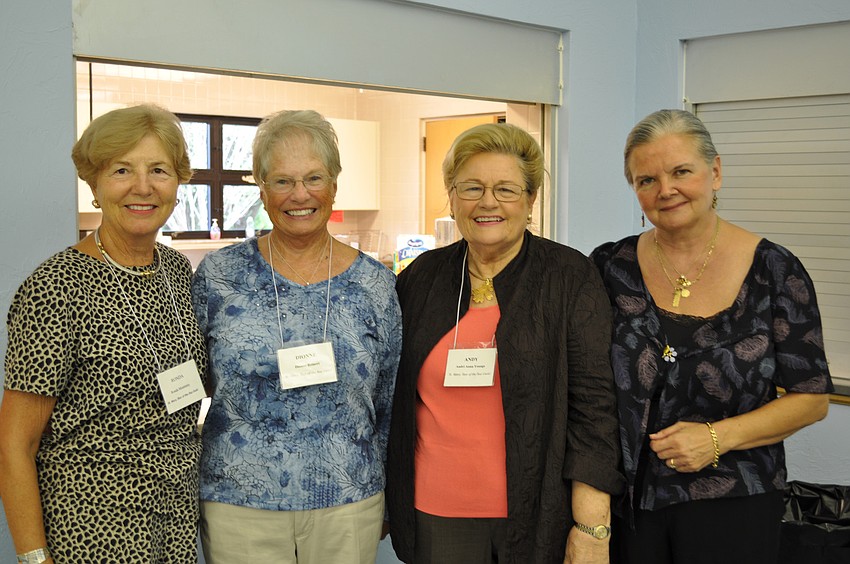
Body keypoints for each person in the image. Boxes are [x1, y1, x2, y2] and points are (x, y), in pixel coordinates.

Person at [591, 109, 834, 564]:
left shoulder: (776, 271)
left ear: (716, 172)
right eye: (647, 180)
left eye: (681, 171)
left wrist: (718, 437)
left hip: (734, 502)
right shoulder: (608, 267)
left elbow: (812, 397)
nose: (666, 190)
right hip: (625, 507)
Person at [386, 122, 624, 564]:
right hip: (437, 513)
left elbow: (594, 408)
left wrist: (592, 526)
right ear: (452, 197)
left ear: (531, 200)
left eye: (506, 190)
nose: (488, 202)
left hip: (538, 514)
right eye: (472, 187)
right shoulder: (421, 278)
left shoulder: (568, 277)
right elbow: (389, 394)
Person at [0, 104, 208, 563]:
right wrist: (35, 559)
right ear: (93, 184)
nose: (143, 187)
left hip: (174, 517)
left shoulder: (174, 271)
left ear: (177, 182)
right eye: (121, 170)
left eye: (159, 169)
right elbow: (16, 444)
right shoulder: (56, 286)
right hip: (92, 526)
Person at [192, 109, 402, 563]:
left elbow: (388, 401)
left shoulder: (374, 285)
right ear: (262, 189)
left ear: (334, 185)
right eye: (283, 181)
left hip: (348, 499)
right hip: (238, 501)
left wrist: (389, 493)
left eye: (314, 178)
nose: (300, 195)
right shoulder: (219, 276)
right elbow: (193, 383)